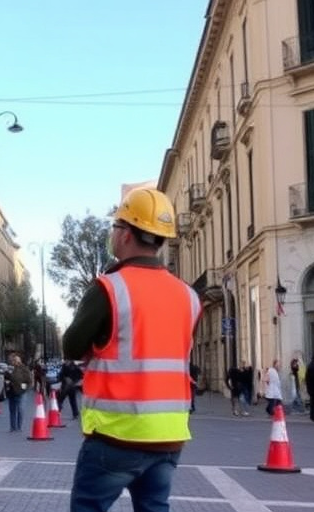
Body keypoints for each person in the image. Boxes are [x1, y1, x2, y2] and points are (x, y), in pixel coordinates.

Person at [62, 188, 201, 512]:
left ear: (125, 234)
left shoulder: (110, 288)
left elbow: (71, 345)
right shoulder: (188, 296)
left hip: (117, 436)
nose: (112, 234)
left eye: (115, 226)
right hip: (168, 437)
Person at [6, 354, 33, 432]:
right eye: (12, 361)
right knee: (12, 410)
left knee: (20, 410)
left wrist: (23, 388)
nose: (13, 362)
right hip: (11, 392)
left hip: (21, 393)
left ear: (18, 361)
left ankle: (19, 427)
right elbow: (6, 378)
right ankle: (13, 427)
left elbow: (29, 381)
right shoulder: (10, 369)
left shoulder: (24, 369)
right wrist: (7, 377)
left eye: (14, 361)